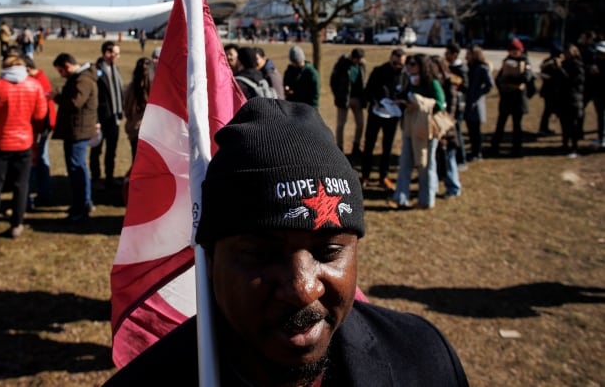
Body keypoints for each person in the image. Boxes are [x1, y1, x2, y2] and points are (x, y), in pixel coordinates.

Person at [103, 98, 468, 386]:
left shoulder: (424, 358)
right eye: (261, 254)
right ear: (210, 260)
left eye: (328, 252)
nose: (302, 289)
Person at [0, 55, 47, 242]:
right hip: (24, 142)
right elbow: (40, 114)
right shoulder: (34, 86)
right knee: (21, 185)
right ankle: (16, 224)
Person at [390, 54, 445, 210]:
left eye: (412, 64)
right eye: (408, 64)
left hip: (426, 129)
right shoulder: (410, 81)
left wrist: (420, 103)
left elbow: (440, 104)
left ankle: (426, 199)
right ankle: (401, 197)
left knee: (425, 165)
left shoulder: (432, 83)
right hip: (410, 126)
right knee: (405, 162)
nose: (409, 67)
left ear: (422, 65)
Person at [52, 53, 99, 223]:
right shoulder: (82, 78)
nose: (61, 75)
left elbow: (75, 103)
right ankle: (83, 202)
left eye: (61, 71)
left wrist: (57, 98)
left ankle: (82, 205)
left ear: (67, 65)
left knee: (77, 169)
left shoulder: (83, 80)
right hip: (77, 129)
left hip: (78, 131)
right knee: (79, 167)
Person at [361, 48, 406, 191]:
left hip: (392, 116)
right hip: (376, 113)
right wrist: (374, 101)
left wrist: (399, 103)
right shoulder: (378, 71)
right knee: (369, 144)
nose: (398, 65)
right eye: (395, 62)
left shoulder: (405, 75)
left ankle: (383, 176)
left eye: (400, 63)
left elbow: (405, 92)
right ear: (390, 58)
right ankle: (365, 175)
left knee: (387, 146)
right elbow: (368, 90)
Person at [490, 38, 534, 157]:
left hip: (518, 98)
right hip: (506, 97)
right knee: (500, 124)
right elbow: (498, 78)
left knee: (517, 125)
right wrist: (502, 85)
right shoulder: (506, 61)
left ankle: (516, 149)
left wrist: (510, 80)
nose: (513, 52)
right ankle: (494, 147)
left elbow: (527, 78)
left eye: (515, 50)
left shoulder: (525, 62)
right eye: (511, 50)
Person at [25, 56, 57, 210]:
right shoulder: (41, 78)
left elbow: (41, 109)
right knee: (42, 158)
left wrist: (37, 130)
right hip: (43, 125)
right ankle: (44, 192)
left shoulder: (38, 82)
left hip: (41, 127)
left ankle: (40, 193)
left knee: (37, 160)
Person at [91, 41, 124, 188]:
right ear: (107, 54)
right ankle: (96, 178)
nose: (118, 56)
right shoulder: (96, 71)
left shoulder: (115, 69)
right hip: (100, 119)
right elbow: (93, 98)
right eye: (115, 53)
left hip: (114, 118)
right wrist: (96, 119)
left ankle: (109, 177)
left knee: (112, 151)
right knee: (96, 150)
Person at [430, 55, 462, 198]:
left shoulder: (449, 82)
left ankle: (453, 187)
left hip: (446, 127)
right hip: (435, 126)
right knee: (437, 158)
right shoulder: (434, 82)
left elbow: (452, 108)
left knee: (449, 158)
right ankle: (435, 185)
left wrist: (445, 125)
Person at [330, 48, 366, 156]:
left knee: (360, 123)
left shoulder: (361, 65)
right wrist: (338, 95)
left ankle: (356, 145)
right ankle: (339, 147)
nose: (360, 61)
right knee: (341, 124)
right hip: (344, 98)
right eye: (358, 59)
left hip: (357, 98)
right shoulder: (342, 64)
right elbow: (333, 81)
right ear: (353, 58)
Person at [462, 45, 493, 161]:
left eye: (468, 54)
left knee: (476, 130)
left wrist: (478, 93)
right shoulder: (467, 67)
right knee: (470, 128)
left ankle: (477, 152)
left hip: (476, 103)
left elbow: (490, 84)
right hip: (468, 102)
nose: (466, 56)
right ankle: (474, 151)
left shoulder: (481, 68)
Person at [556, 44, 586, 158]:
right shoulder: (564, 64)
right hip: (563, 98)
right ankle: (565, 145)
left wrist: (560, 69)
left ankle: (574, 147)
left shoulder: (578, 66)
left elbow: (571, 81)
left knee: (573, 124)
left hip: (573, 98)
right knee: (564, 123)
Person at [123, 57, 154, 161]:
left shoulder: (130, 88)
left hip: (135, 129)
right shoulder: (156, 89)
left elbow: (126, 109)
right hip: (151, 132)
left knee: (136, 160)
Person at [444, 43, 468, 168]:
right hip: (451, 103)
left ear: (454, 54)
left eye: (447, 53)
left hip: (458, 104)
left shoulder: (461, 68)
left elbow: (465, 86)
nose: (445, 55)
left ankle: (461, 159)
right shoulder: (450, 66)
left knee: (456, 132)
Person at [537, 46, 565, 137]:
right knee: (551, 111)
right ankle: (543, 129)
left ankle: (543, 128)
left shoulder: (546, 61)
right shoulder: (555, 63)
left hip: (547, 91)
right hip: (554, 92)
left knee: (547, 111)